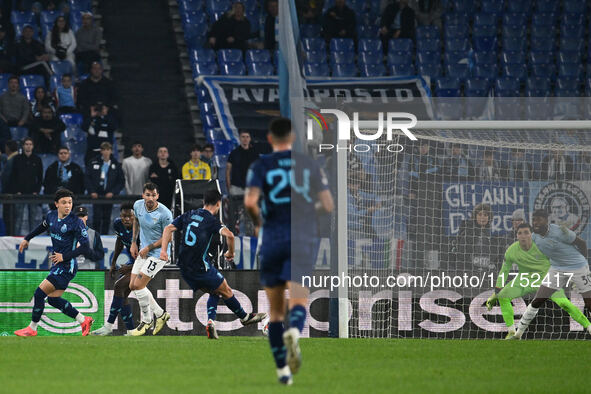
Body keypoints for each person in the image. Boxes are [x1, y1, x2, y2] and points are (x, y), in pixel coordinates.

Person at [244, 118, 334, 385]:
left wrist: (260, 223)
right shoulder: (309, 164)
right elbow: (328, 205)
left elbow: (250, 202)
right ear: (293, 138)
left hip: (272, 236)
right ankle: (294, 331)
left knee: (274, 312)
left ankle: (283, 372)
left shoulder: (261, 165)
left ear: (271, 139)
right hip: (303, 236)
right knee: (297, 300)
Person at [160, 189, 267, 339]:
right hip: (200, 268)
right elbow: (230, 235)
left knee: (215, 291)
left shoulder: (189, 214)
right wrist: (231, 253)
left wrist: (164, 251)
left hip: (183, 267)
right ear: (218, 203)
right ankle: (244, 317)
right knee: (227, 290)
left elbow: (168, 228)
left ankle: (211, 322)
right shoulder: (211, 220)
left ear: (204, 202)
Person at [486, 223, 590, 339]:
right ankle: (511, 333)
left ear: (532, 235)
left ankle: (589, 326)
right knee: (503, 296)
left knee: (564, 304)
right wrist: (496, 293)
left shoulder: (543, 247)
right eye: (520, 233)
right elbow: (503, 271)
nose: (523, 236)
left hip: (546, 280)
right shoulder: (511, 250)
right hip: (525, 279)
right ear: (516, 236)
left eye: (526, 232)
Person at [14, 189, 94, 336]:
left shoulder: (76, 223)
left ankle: (32, 328)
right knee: (53, 299)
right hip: (58, 265)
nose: (68, 206)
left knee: (39, 294)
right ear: (56, 204)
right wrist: (27, 238)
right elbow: (42, 226)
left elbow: (85, 247)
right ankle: (83, 320)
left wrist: (65, 256)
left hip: (67, 266)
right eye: (64, 203)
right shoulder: (51, 216)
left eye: (70, 202)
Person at [512, 210, 591, 339]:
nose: (536, 223)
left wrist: (585, 268)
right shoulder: (534, 237)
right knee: (538, 300)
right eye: (534, 220)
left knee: (589, 303)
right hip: (557, 269)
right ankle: (517, 334)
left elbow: (582, 243)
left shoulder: (560, 231)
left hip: (578, 267)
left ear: (546, 220)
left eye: (539, 220)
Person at [128, 182, 172, 336]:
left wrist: (149, 247)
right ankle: (160, 314)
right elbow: (136, 221)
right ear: (143, 195)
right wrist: (134, 242)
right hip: (143, 251)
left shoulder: (165, 214)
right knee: (133, 286)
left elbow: (168, 237)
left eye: (153, 195)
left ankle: (147, 322)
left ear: (157, 196)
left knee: (139, 285)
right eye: (148, 195)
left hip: (159, 254)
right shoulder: (138, 205)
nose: (150, 198)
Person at [92, 203, 137, 336]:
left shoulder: (140, 228)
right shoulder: (118, 224)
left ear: (134, 217)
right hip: (133, 263)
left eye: (130, 216)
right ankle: (131, 330)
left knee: (118, 287)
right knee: (121, 295)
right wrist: (113, 262)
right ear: (120, 216)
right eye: (124, 216)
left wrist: (131, 267)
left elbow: (148, 254)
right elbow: (120, 240)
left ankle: (108, 326)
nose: (127, 219)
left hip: (145, 264)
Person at [84, 141, 125, 234]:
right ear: (101, 151)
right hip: (96, 195)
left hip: (109, 196)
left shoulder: (116, 164)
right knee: (97, 218)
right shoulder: (93, 161)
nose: (106, 152)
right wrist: (92, 191)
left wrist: (113, 192)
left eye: (108, 149)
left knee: (107, 217)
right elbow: (87, 178)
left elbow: (121, 181)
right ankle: (96, 238)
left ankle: (105, 237)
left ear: (111, 151)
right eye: (104, 149)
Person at [451, 203, 503, 271]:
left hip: (487, 274)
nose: (482, 217)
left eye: (485, 215)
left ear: (489, 217)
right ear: (475, 216)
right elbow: (462, 256)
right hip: (470, 273)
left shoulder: (491, 237)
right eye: (480, 214)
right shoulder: (468, 233)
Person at [9, 137, 43, 235]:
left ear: (33, 146)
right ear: (23, 146)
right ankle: (16, 238)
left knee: (32, 218)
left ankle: (32, 239)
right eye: (26, 144)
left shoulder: (37, 159)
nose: (28, 146)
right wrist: (17, 191)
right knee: (18, 218)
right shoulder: (17, 159)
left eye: (30, 144)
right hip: (20, 193)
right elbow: (13, 176)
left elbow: (40, 178)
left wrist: (37, 190)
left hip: (33, 193)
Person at [226, 130, 258, 196]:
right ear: (240, 138)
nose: (245, 139)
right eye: (243, 137)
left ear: (250, 139)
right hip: (236, 187)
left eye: (247, 137)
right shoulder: (234, 153)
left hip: (251, 187)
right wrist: (229, 187)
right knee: (236, 206)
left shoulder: (255, 153)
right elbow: (228, 171)